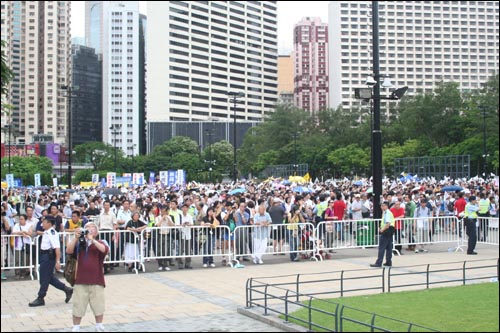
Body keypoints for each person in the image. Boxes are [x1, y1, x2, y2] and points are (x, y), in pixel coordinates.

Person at [66, 222, 109, 332]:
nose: (90, 229)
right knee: (78, 304)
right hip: (80, 279)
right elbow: (68, 250)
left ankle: (99, 324)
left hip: (97, 279)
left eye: (93, 228)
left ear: (96, 232)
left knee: (98, 304)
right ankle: (76, 326)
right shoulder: (80, 243)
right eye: (87, 227)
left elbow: (104, 250)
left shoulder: (100, 242)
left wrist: (92, 240)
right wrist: (76, 238)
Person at [29, 216, 73, 307]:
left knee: (45, 278)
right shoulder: (47, 232)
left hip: (48, 257)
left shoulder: (52, 233)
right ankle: (67, 289)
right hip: (44, 256)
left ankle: (40, 297)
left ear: (49, 223)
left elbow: (57, 248)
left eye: (44, 222)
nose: (42, 224)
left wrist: (57, 261)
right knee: (49, 278)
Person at [370, 201, 395, 268]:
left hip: (387, 230)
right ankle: (388, 261)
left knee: (382, 247)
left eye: (383, 205)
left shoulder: (387, 213)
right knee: (389, 247)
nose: (382, 207)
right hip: (390, 230)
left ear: (386, 206)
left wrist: (382, 229)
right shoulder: (387, 213)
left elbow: (388, 223)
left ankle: (379, 262)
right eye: (381, 206)